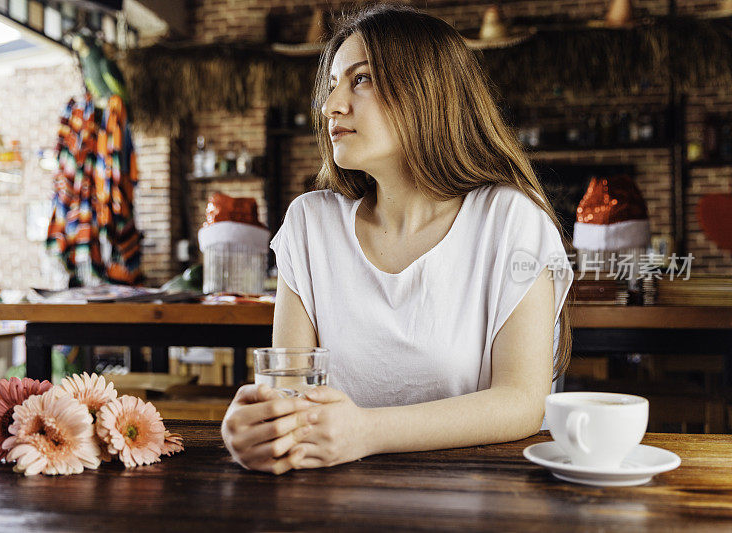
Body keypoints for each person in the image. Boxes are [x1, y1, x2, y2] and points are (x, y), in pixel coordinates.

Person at [221, 3, 575, 475]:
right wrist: (258, 429)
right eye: (331, 87)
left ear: (429, 93)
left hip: (478, 499)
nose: (331, 106)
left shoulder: (510, 220)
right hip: (329, 501)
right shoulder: (309, 224)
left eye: (361, 79)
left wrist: (365, 432)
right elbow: (293, 397)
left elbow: (522, 402)